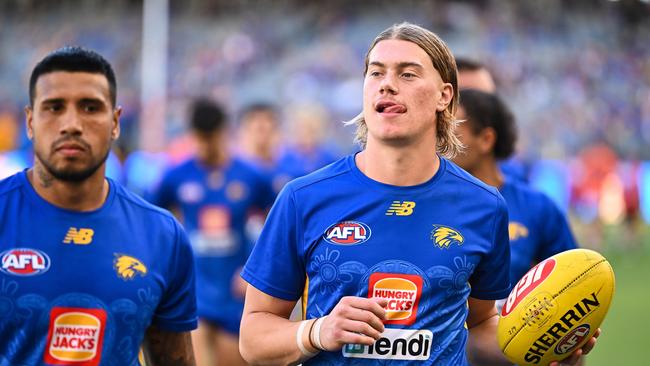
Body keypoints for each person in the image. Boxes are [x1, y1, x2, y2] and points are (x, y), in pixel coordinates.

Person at [239, 22, 596, 365]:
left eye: (407, 74)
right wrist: (317, 331)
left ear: (445, 96)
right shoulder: (303, 198)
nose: (387, 85)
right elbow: (253, 338)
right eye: (376, 73)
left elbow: (481, 324)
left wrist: (548, 344)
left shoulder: (485, 206)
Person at [0, 46, 197, 365]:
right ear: (30, 121)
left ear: (116, 122)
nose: (72, 124)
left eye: (90, 107)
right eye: (54, 107)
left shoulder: (162, 237)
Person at [149, 99, 275, 366]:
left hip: (235, 287)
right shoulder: (177, 176)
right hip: (195, 286)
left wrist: (257, 267)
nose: (205, 146)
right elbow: (150, 217)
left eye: (211, 138)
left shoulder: (250, 176)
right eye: (200, 139)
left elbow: (277, 226)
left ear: (223, 133)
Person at [452, 89, 579, 298]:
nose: (441, 142)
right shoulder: (431, 204)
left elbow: (573, 283)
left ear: (486, 139)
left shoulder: (538, 207)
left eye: (453, 133)